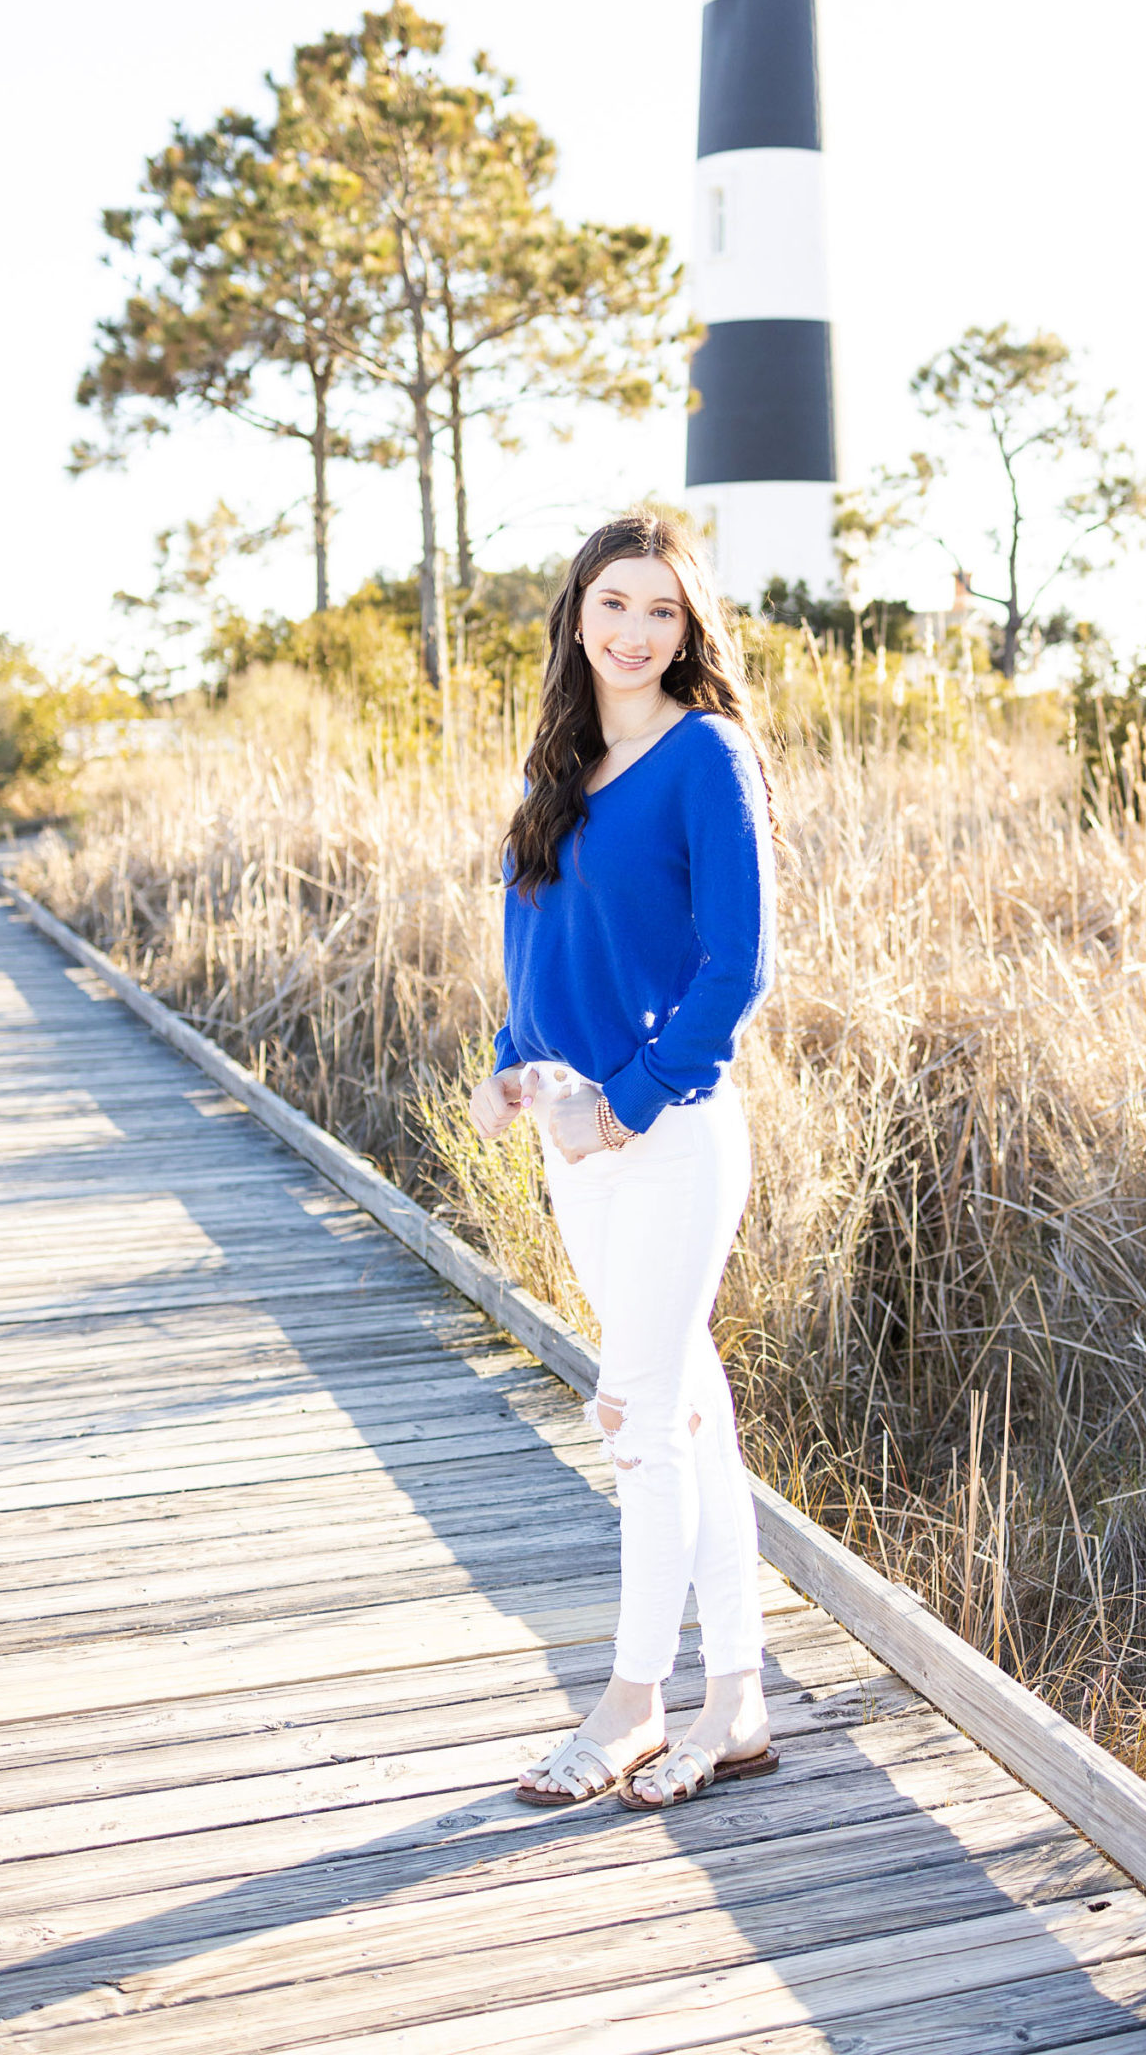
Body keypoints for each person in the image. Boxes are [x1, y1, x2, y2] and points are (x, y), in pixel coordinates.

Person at [469, 510, 780, 1811]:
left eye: (662, 610)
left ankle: (635, 1701)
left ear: (689, 626)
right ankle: (742, 1703)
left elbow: (738, 967)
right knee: (691, 1426)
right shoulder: (560, 768)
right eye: (615, 606)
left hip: (668, 1138)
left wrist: (633, 1103)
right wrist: (513, 1057)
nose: (637, 633)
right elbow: (544, 950)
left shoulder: (707, 754)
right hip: (570, 1141)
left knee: (635, 1422)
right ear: (577, 618)